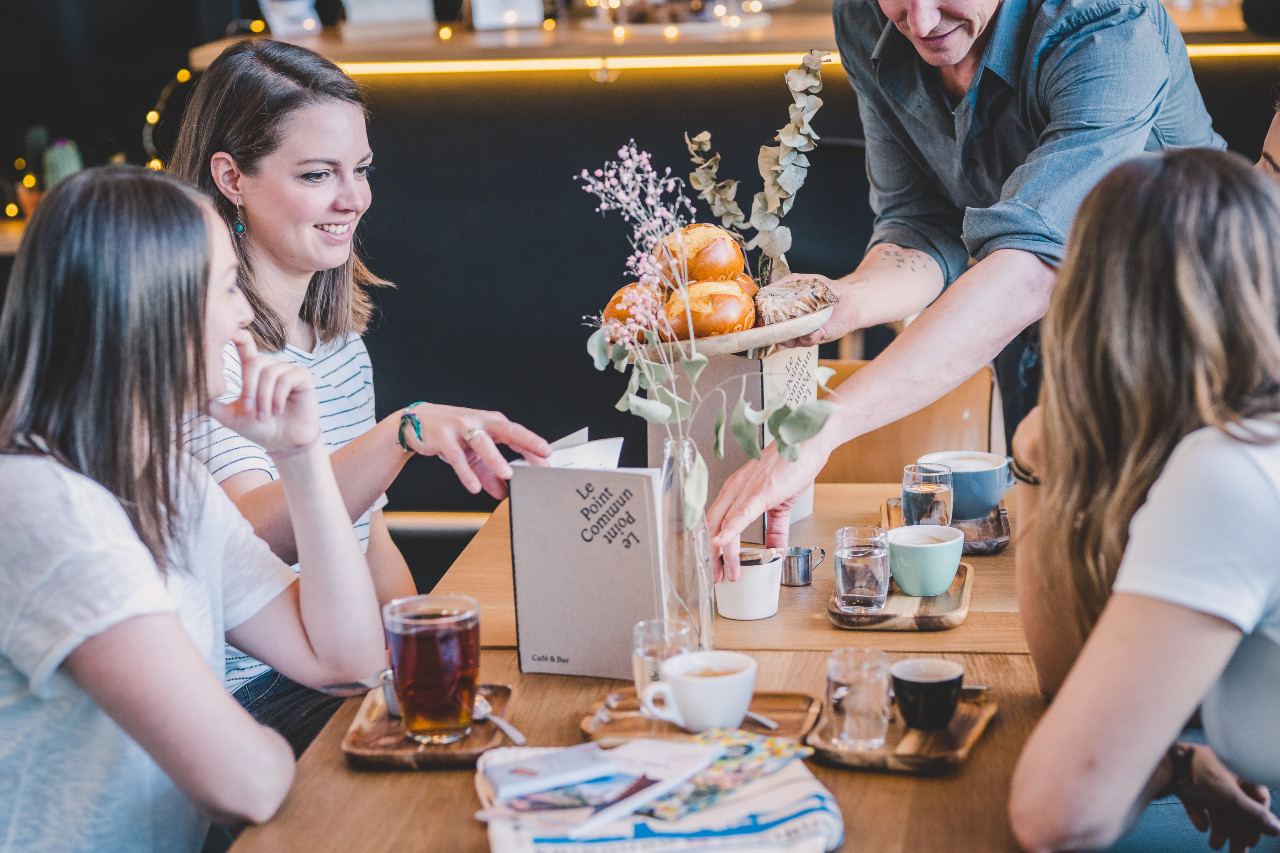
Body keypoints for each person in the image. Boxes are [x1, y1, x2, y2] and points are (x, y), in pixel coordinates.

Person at [706, 0, 1224, 578]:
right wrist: (843, 302)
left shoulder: (1106, 22)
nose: (920, 24)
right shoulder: (865, 17)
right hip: (1022, 330)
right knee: (1052, 575)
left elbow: (1031, 265)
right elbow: (921, 220)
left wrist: (817, 432)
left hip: (1181, 344)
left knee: (1159, 588)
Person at [169, 38, 551, 752]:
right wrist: (400, 433)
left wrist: (420, 639)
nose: (354, 199)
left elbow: (366, 535)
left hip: (338, 673)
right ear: (231, 177)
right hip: (251, 694)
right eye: (318, 174)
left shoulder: (339, 342)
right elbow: (257, 535)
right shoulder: (206, 351)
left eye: (361, 170)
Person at [0, 165, 386, 852]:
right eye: (228, 287)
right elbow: (244, 783)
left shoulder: (168, 480)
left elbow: (348, 658)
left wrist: (301, 456)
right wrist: (256, 750)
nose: (245, 314)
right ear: (153, 307)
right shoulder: (44, 505)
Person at [1005, 149, 1280, 852]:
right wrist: (1035, 465)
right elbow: (1068, 684)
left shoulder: (1232, 472)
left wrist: (1162, 766)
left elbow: (1055, 814)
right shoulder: (1237, 443)